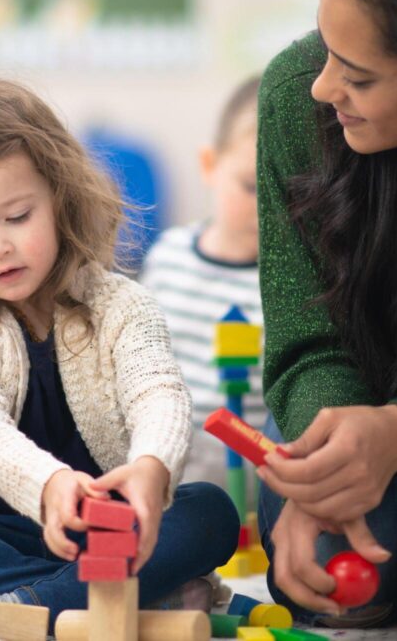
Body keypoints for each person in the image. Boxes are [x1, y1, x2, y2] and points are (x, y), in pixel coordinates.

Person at [0, 75, 240, 625]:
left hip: (113, 530)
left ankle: (27, 608)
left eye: (17, 217)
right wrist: (50, 487)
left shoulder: (122, 304)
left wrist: (151, 466)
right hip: (8, 532)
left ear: (59, 195)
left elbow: (159, 392)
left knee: (211, 512)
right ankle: (117, 601)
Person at [252, 0, 397, 627]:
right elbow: (307, 340)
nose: (324, 87)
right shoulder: (295, 95)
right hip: (360, 407)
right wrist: (327, 460)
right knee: (340, 575)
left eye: (359, 75)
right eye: (326, 48)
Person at [141, 76, 266, 486]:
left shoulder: (293, 282)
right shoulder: (168, 257)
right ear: (210, 166)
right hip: (172, 463)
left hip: (256, 475)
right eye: (250, 187)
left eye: (286, 191)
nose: (267, 208)